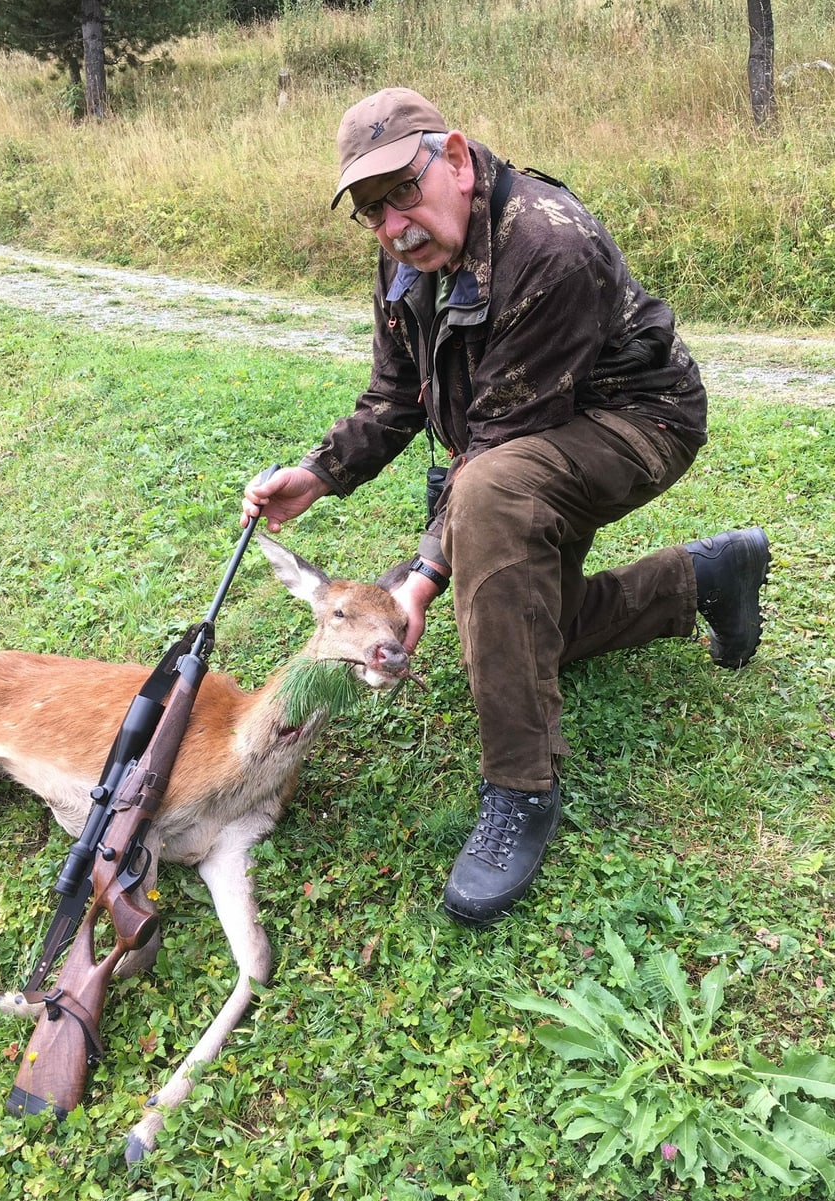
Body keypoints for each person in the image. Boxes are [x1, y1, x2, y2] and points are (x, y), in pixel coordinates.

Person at [241, 87, 770, 928]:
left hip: (639, 420)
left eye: (403, 191)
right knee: (527, 631)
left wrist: (419, 578)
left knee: (486, 502)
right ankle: (705, 576)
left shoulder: (546, 245)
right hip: (530, 431)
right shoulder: (406, 257)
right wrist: (318, 473)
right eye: (372, 210)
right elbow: (394, 396)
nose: (394, 224)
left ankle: (520, 786)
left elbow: (489, 452)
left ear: (453, 158)